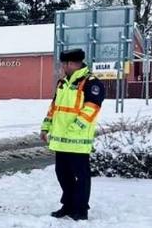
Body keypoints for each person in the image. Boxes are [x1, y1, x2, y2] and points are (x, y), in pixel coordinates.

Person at [40, 48, 105, 221]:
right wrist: (45, 127)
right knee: (63, 174)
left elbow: (91, 109)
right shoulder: (63, 83)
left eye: (64, 64)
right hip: (61, 141)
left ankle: (81, 209)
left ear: (71, 64)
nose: (62, 67)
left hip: (77, 141)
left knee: (81, 177)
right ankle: (68, 205)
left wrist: (74, 129)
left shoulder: (91, 83)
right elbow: (54, 108)